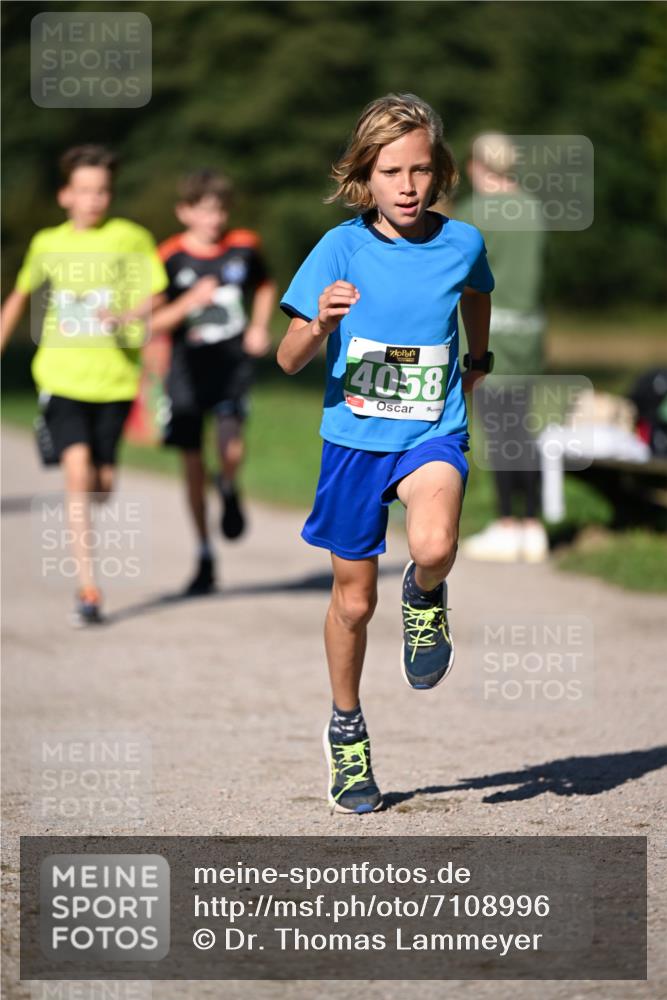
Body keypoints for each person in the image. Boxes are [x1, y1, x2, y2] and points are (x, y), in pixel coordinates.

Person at [277, 94, 494, 814]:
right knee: (353, 600)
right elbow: (285, 358)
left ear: (440, 172)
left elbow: (477, 293)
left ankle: (426, 596)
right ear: (363, 175)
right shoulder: (339, 248)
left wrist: (478, 356)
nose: (407, 186)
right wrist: (319, 323)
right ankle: (347, 731)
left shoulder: (461, 241)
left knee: (432, 543)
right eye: (391, 170)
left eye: (421, 169)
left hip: (431, 429)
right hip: (352, 441)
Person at [0, 145, 168, 625]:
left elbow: (155, 295)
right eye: (85, 191)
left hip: (114, 381)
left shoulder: (130, 238)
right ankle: (88, 588)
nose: (94, 200)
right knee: (77, 474)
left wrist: (126, 315)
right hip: (61, 376)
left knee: (102, 485)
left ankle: (93, 508)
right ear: (65, 196)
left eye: (102, 191)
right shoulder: (46, 244)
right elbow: (18, 297)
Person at [150, 169, 276, 595]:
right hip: (186, 371)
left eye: (220, 209)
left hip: (231, 365)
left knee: (230, 448)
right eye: (204, 211)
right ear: (184, 212)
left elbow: (264, 286)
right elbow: (154, 321)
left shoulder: (244, 247)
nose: (214, 219)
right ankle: (204, 552)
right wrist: (189, 302)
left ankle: (229, 485)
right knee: (190, 463)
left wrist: (259, 326)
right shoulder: (168, 256)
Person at [456, 133, 549, 562]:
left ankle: (506, 522)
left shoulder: (475, 213)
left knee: (497, 430)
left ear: (478, 165)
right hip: (530, 333)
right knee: (523, 429)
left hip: (492, 332)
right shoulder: (533, 209)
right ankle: (533, 525)